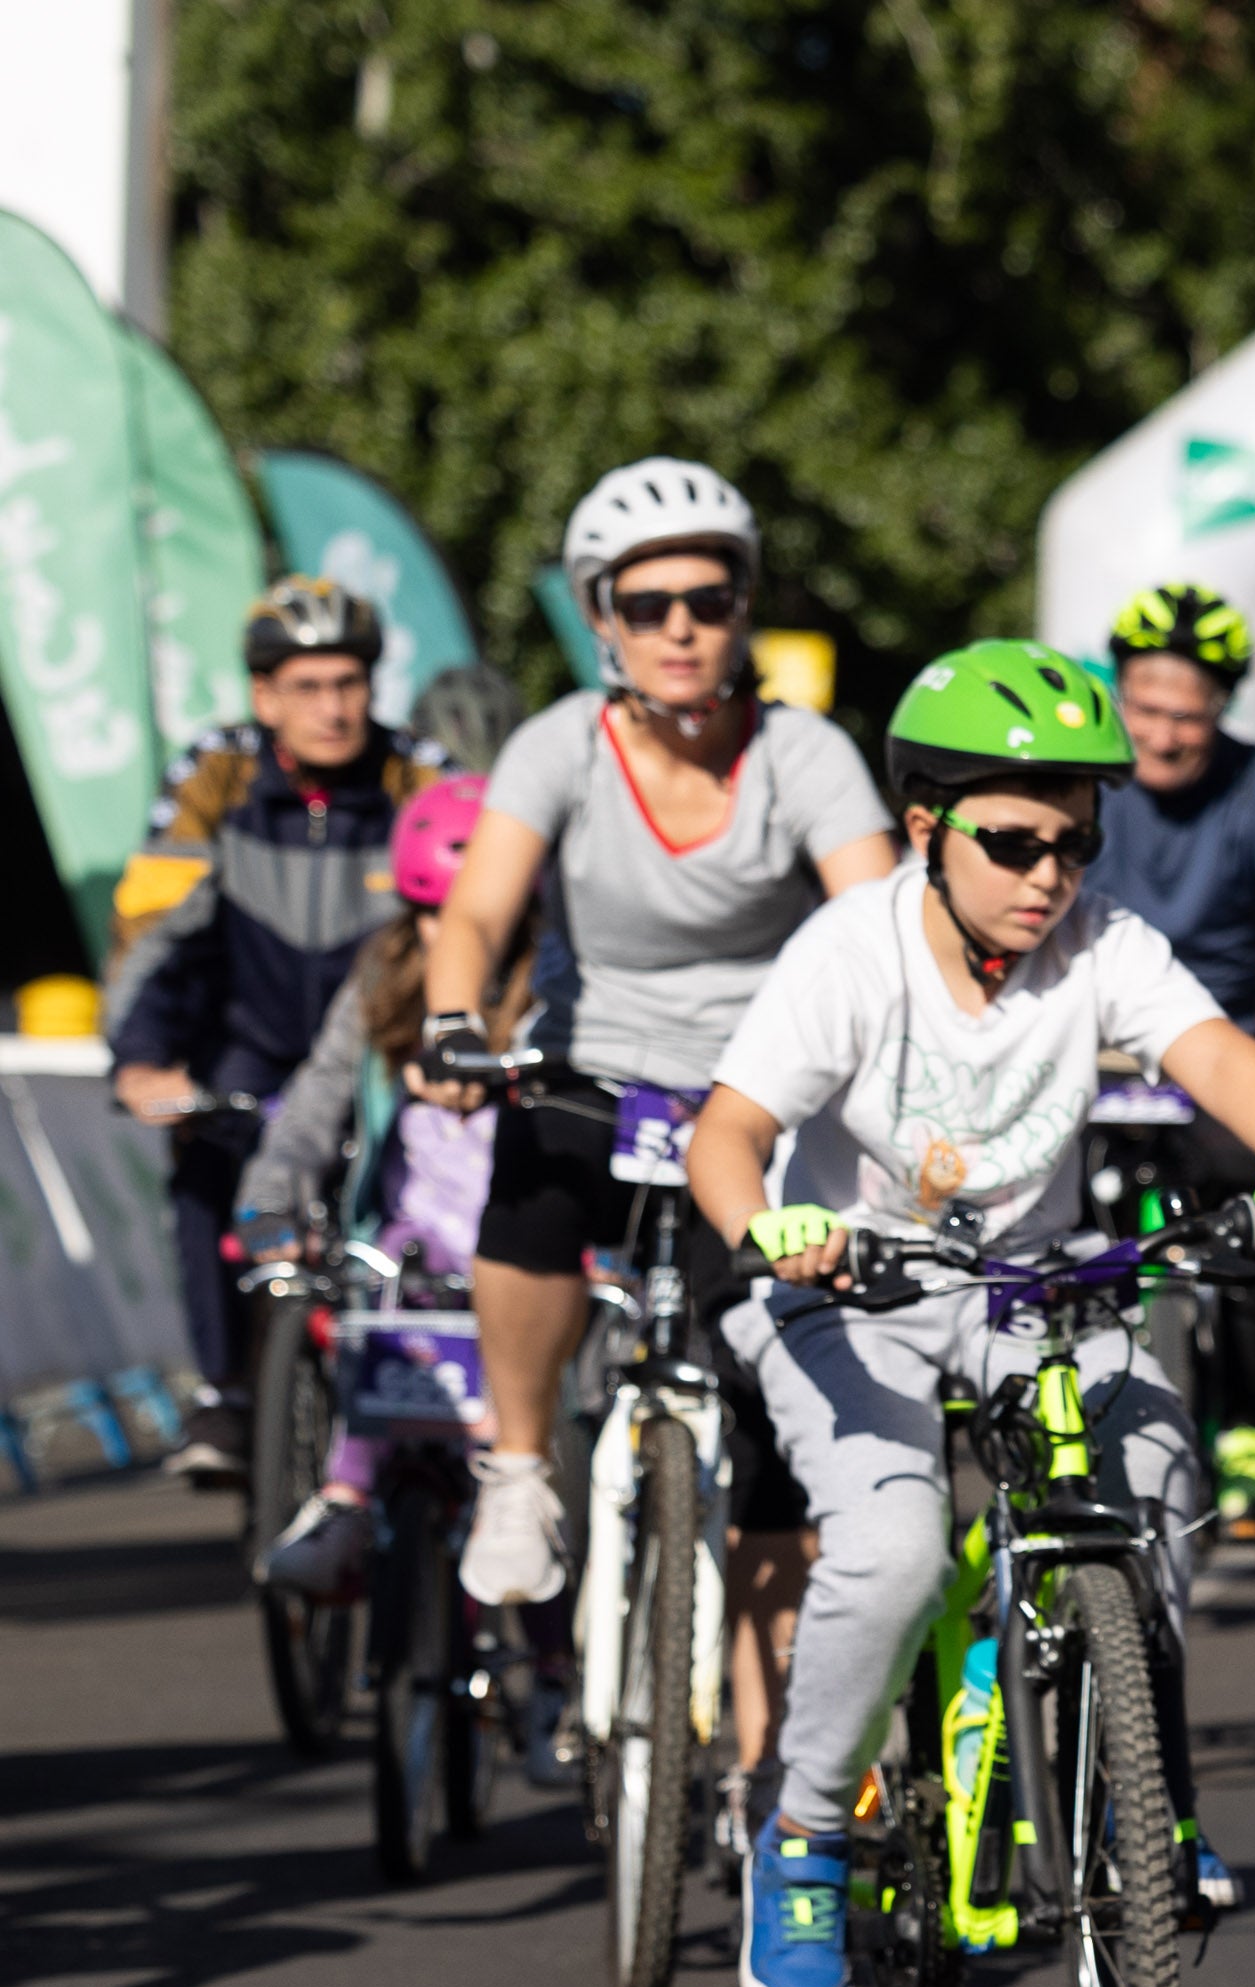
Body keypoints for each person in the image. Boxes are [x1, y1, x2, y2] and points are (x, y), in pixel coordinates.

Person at [682, 642, 1255, 1987]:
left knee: (1162, 1472)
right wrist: (768, 1226)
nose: (1048, 872)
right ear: (925, 828)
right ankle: (801, 1835)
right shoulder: (850, 948)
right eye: (1011, 840)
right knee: (893, 1546)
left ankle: (1135, 1798)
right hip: (847, 1283)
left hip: (1029, 1290)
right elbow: (730, 1132)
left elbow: (1219, 1054)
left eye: (1075, 838)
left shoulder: (1102, 942)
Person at [417, 460, 899, 1675]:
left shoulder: (804, 754)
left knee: (772, 1377)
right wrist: (450, 1021)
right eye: (646, 606)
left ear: (745, 610)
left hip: (757, 1091)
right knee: (529, 1179)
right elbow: (476, 915)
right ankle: (520, 1468)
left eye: (708, 598)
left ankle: (768, 1755)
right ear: (601, 620)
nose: (680, 628)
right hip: (603, 1070)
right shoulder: (557, 747)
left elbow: (877, 920)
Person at [106, 578, 455, 1483]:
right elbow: (153, 929)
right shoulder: (214, 774)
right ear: (264, 695)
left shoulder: (421, 772)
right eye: (307, 687)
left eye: (349, 682)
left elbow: (479, 914)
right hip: (250, 1043)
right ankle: (226, 1389)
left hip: (382, 1050)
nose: (333, 708)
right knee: (202, 1169)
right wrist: (143, 1059)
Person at [1086, 580, 1255, 1545]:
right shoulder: (1090, 773)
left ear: (1223, 709)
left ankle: (1243, 1436)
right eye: (1145, 710)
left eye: (1187, 717)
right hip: (1091, 1044)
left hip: (1215, 1043)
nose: (1160, 736)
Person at [236, 775, 528, 1596]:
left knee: (522, 1473)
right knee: (384, 1302)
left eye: (476, 922)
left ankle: (548, 1670)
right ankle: (344, 1498)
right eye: (434, 919)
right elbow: (307, 1116)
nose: (453, 943)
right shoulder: (376, 989)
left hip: (521, 1243)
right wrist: (270, 1204)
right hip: (409, 1243)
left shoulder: (555, 1001)